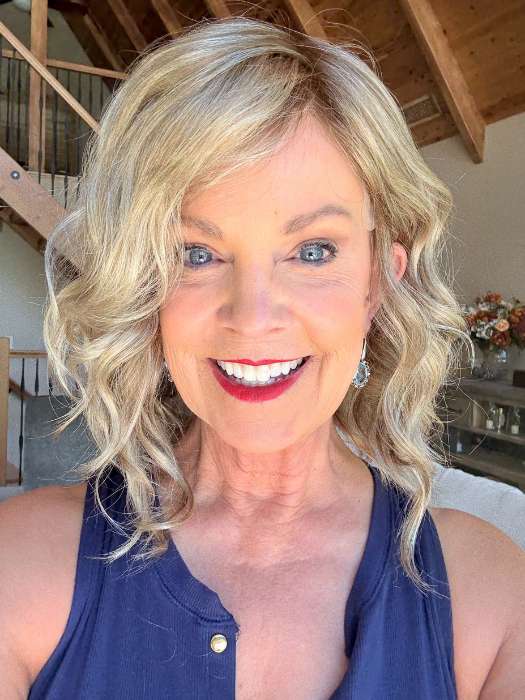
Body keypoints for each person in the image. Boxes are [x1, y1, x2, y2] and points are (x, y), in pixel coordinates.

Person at [1, 16, 524, 699]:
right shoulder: (20, 568)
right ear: (145, 287)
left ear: (378, 283)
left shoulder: (490, 598)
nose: (251, 319)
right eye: (196, 253)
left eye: (313, 251)